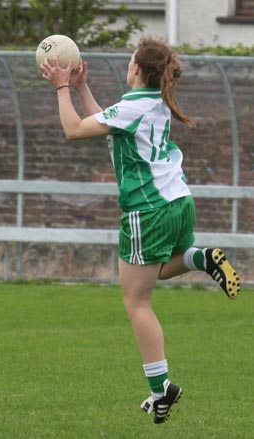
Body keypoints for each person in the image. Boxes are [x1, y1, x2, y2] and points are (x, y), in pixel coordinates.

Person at [40, 37, 240, 424]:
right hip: (179, 201)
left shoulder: (133, 105)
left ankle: (160, 389)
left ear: (136, 69)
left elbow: (75, 130)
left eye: (130, 59)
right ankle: (202, 257)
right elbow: (107, 123)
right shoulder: (155, 102)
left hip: (147, 210)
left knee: (136, 302)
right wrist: (81, 87)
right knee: (160, 269)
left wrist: (62, 86)